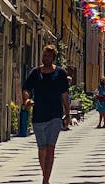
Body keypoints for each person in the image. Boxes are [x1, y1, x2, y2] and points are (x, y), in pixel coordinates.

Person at [22, 44, 71, 184]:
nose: (46, 58)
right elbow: (26, 88)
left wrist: (67, 114)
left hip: (55, 115)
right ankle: (46, 176)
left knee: (50, 148)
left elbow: (64, 94)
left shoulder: (60, 73)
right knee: (42, 149)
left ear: (54, 58)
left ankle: (45, 180)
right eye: (44, 55)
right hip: (38, 115)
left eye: (49, 56)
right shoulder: (35, 73)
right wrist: (27, 99)